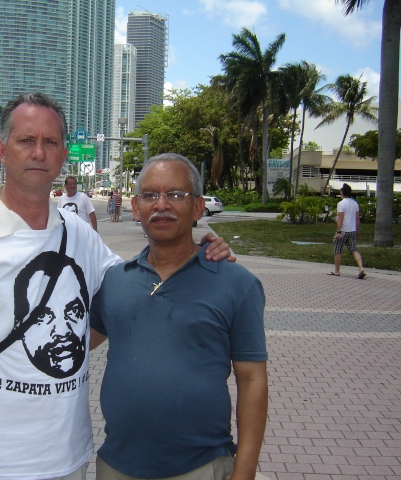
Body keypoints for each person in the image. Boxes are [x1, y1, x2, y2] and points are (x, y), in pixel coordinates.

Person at [0, 94, 232, 480]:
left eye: (50, 143)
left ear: (64, 155)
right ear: (2, 150)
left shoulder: (78, 233)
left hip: (70, 459)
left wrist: (198, 252)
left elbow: (138, 285)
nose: (38, 153)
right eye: (26, 141)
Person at [90, 153, 268, 480]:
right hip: (116, 465)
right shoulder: (116, 280)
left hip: (201, 467)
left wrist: (244, 473)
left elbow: (252, 380)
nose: (161, 204)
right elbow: (82, 340)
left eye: (176, 195)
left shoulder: (236, 283)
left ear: (198, 208)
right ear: (136, 207)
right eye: (150, 195)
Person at [329, 183, 366, 279]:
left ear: (342, 193)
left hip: (343, 230)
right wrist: (357, 229)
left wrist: (338, 232)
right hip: (352, 230)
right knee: (354, 249)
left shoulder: (341, 204)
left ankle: (337, 271)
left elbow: (340, 219)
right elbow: (357, 218)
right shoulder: (355, 203)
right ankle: (361, 268)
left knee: (337, 250)